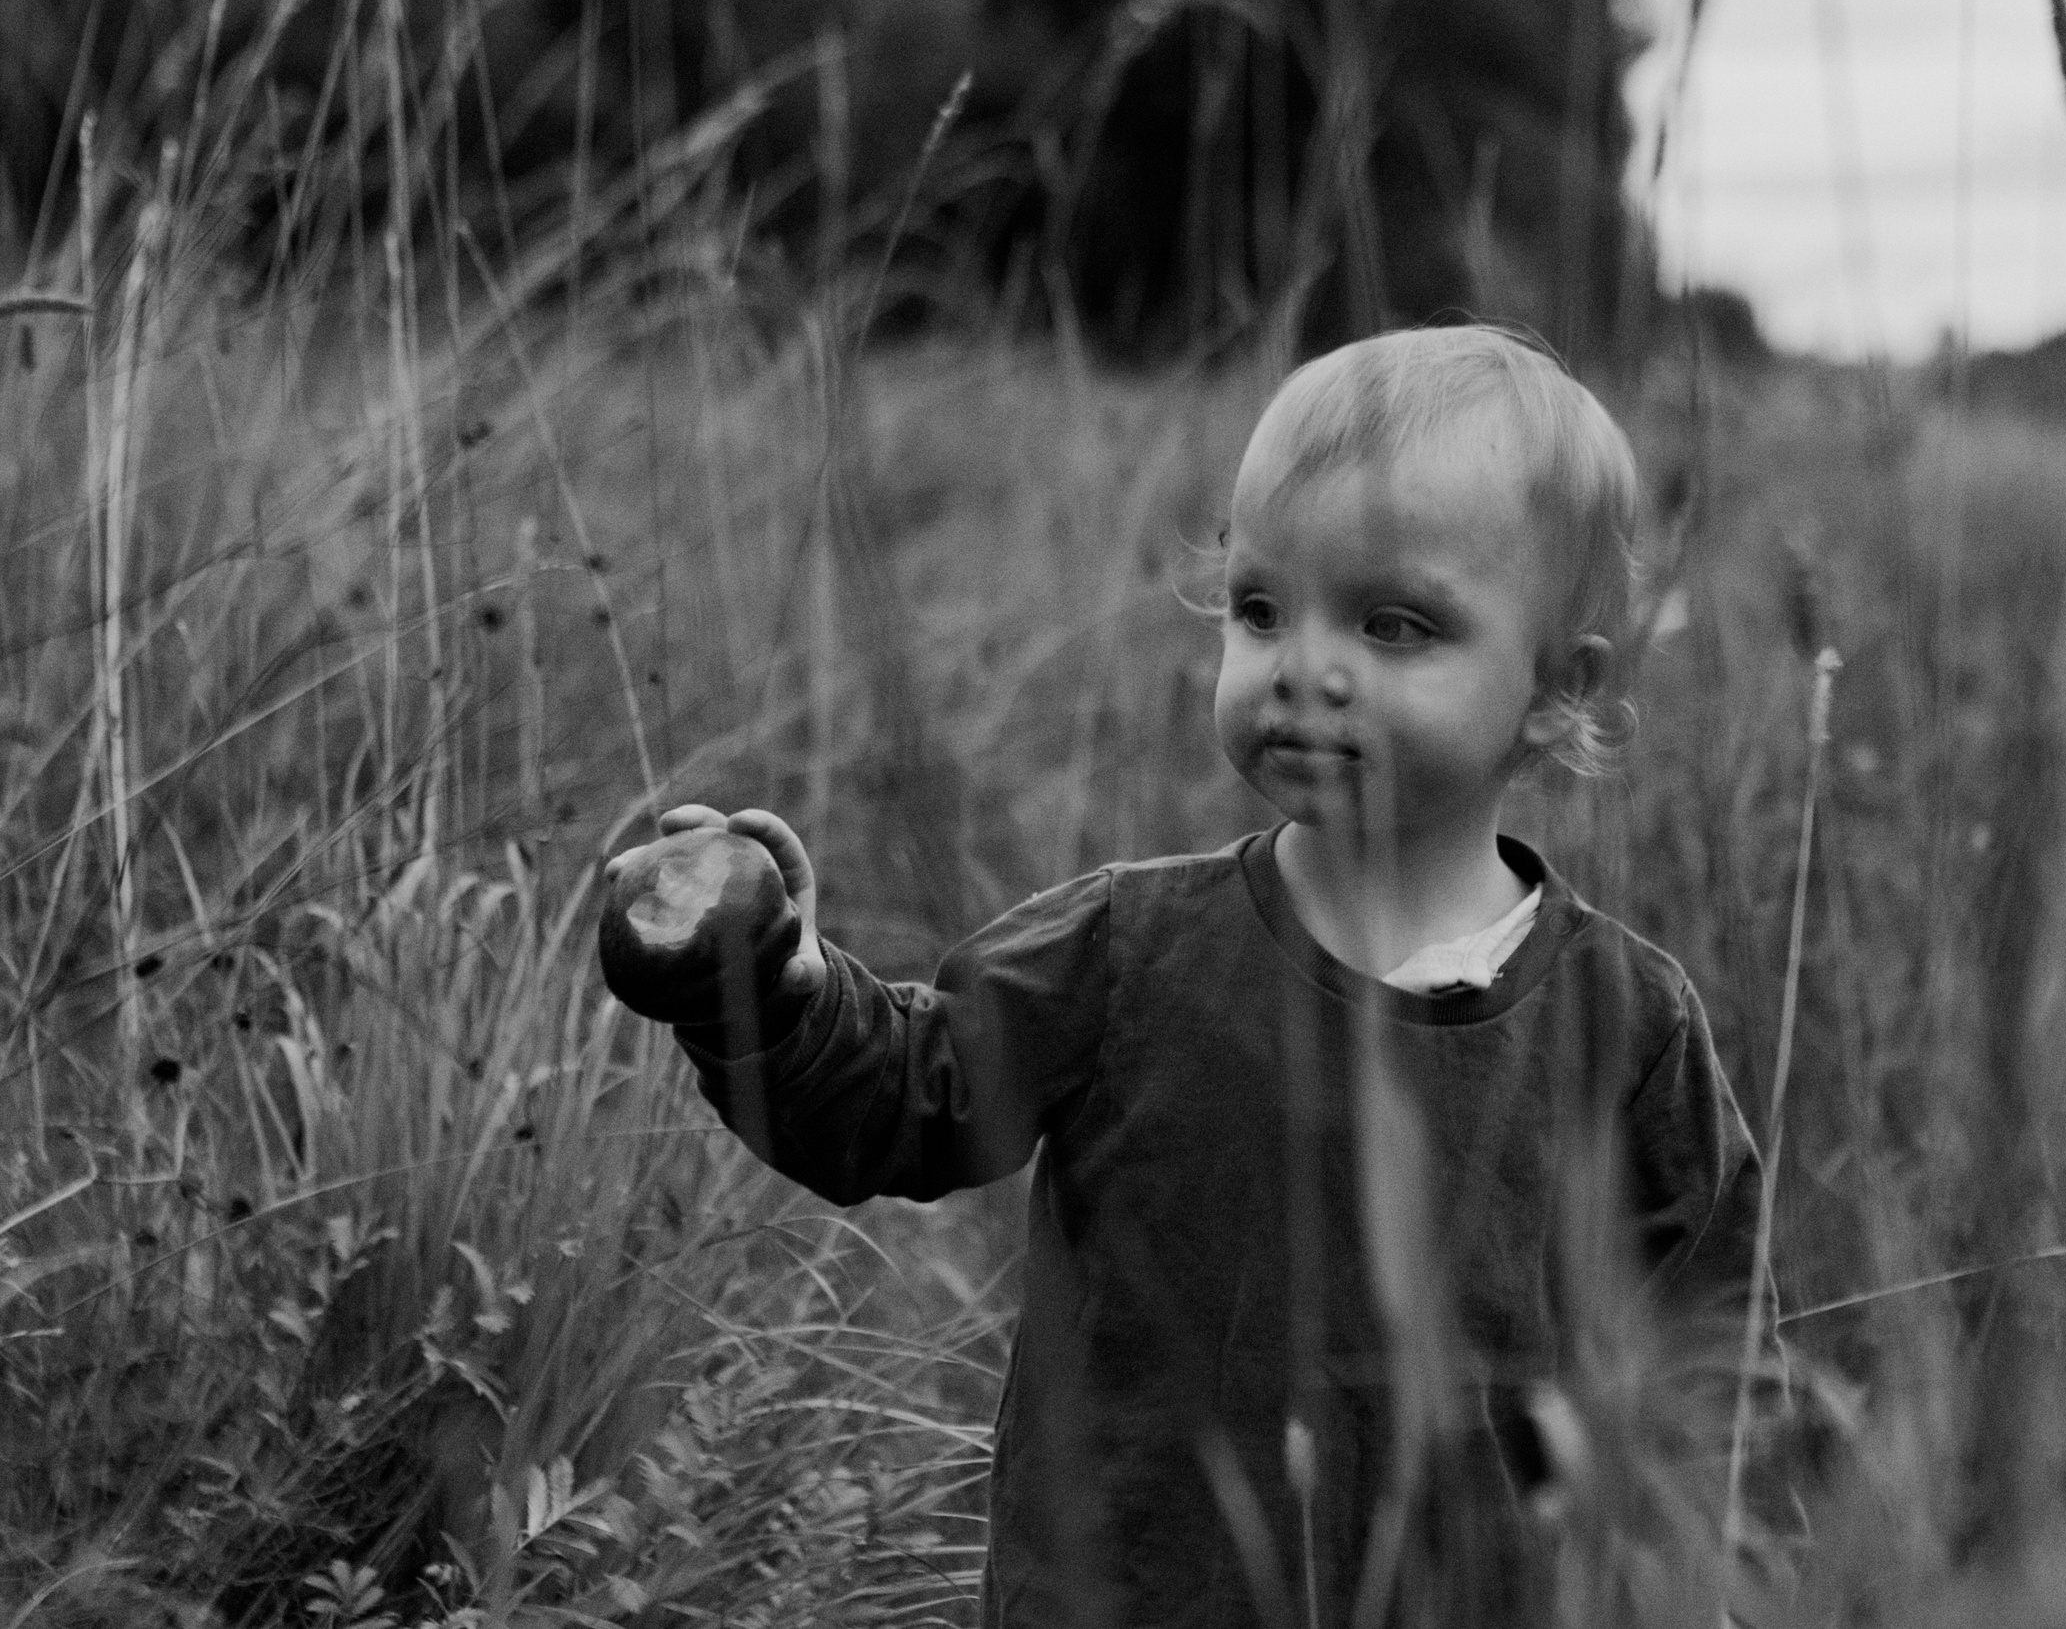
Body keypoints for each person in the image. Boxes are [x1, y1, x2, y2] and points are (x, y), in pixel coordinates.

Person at [624, 325, 1761, 1628]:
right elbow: (897, 1100)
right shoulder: (1131, 952)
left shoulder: (1628, 1026)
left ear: (1561, 684)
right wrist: (768, 984)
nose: (1301, 668)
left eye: (1395, 624)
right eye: (1263, 607)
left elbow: (1706, 1363)